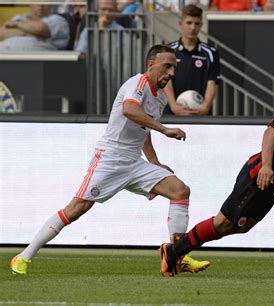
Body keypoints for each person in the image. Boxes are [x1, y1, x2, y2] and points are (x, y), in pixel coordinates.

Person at [10, 44, 210, 275]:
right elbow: (130, 111)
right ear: (151, 65)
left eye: (174, 68)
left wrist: (154, 162)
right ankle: (23, 256)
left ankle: (176, 256)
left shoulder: (161, 98)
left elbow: (142, 128)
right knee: (76, 209)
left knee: (180, 191)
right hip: (111, 158)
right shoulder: (138, 83)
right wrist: (165, 130)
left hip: (134, 162)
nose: (171, 73)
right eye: (167, 67)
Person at [160, 62, 274, 277]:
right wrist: (266, 166)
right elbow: (271, 131)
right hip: (258, 175)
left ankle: (176, 249)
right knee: (223, 222)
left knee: (242, 226)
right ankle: (173, 252)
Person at [164, 5, 221, 116]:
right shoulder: (168, 51)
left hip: (200, 114)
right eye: (189, 23)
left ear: (201, 26)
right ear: (180, 24)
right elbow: (166, 81)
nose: (193, 27)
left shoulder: (211, 53)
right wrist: (173, 106)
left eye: (197, 23)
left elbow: (212, 83)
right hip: (172, 113)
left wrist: (205, 107)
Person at [0, 4, 70, 51]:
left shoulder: (58, 20)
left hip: (37, 65)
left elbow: (40, 28)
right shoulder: (19, 17)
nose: (41, 4)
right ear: (30, 3)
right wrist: (31, 32)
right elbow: (1, 33)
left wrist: (16, 25)